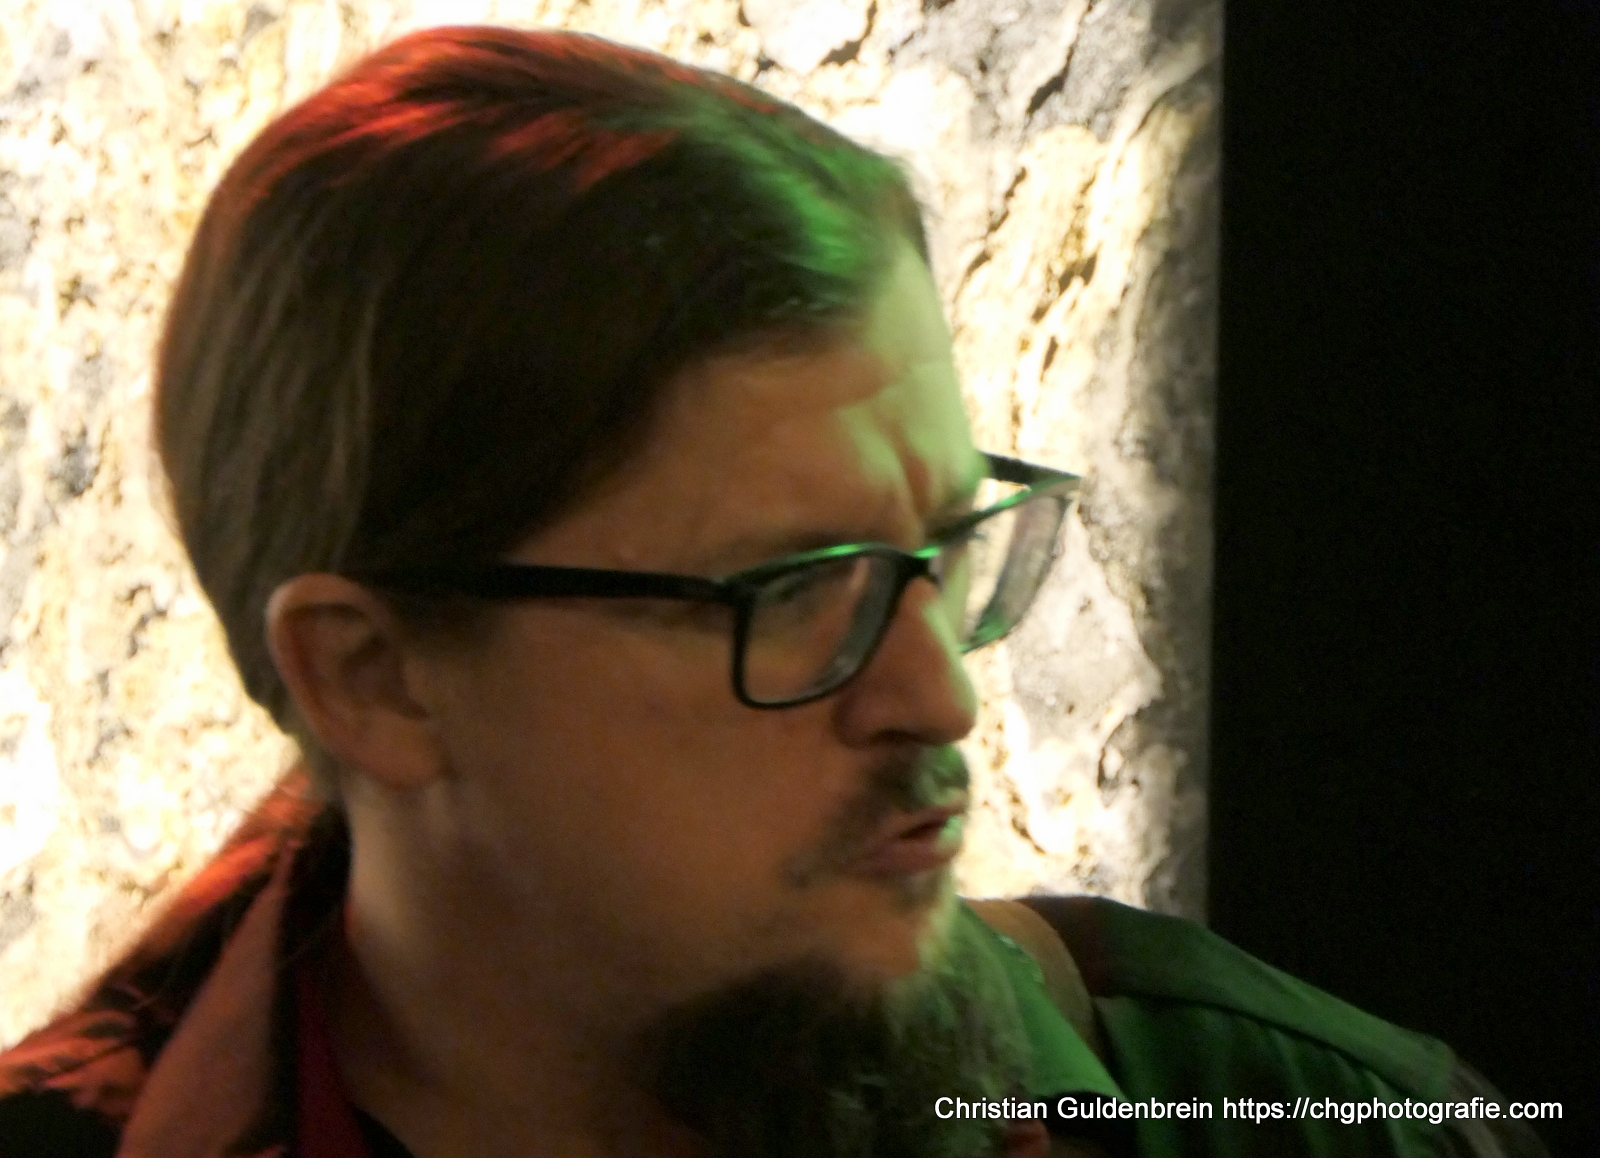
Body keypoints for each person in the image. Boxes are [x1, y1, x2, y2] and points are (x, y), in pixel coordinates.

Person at [0, 25, 1547, 1158]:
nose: (941, 693)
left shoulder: (1286, 1114)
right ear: (375, 676)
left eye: (943, 546)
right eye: (796, 589)